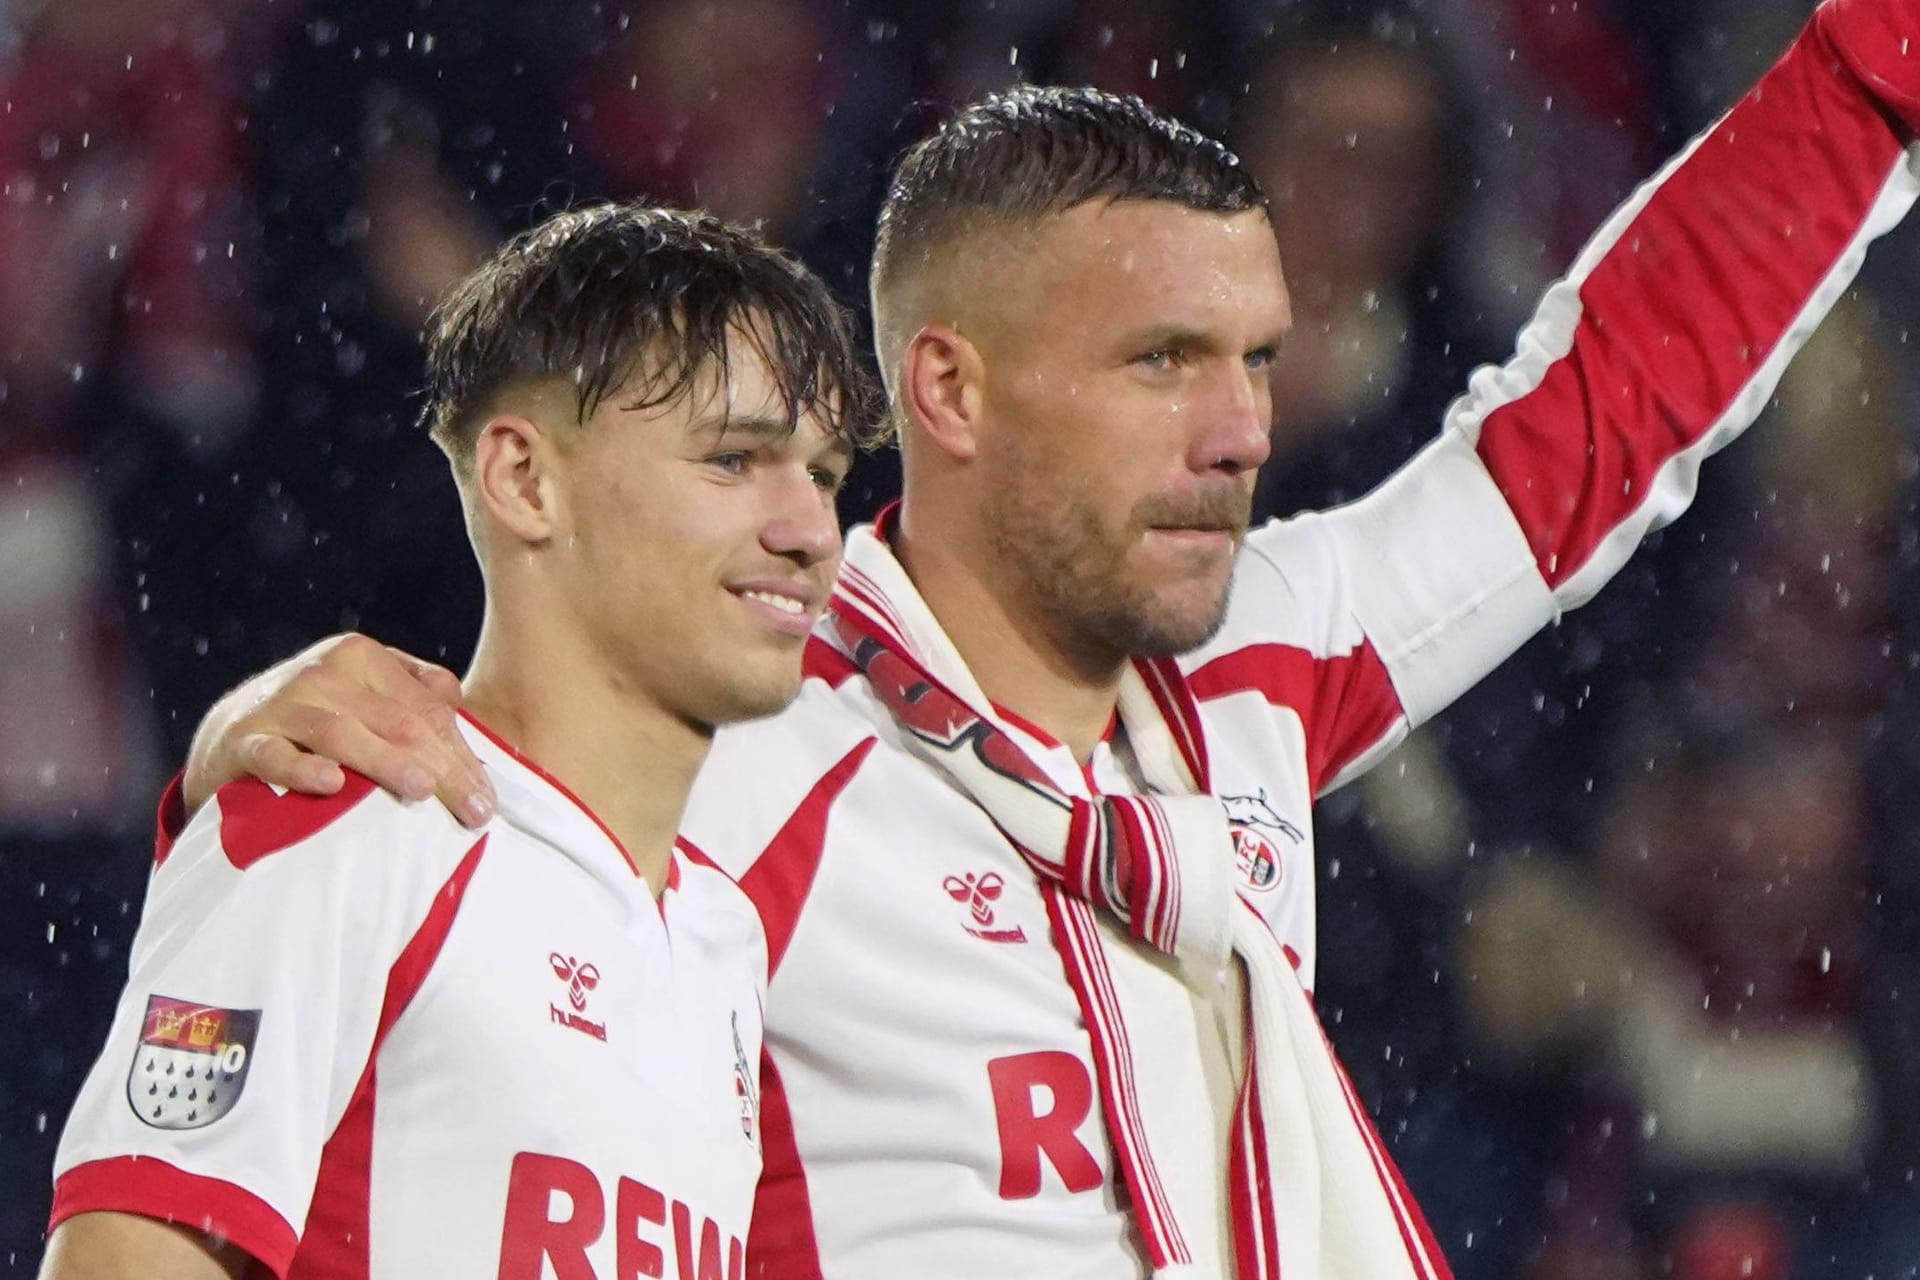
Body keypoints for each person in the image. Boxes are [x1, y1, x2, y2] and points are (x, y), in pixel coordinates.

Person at [169, 1, 1920, 1274]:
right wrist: (258, 744)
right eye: (1163, 362)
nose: (1241, 427)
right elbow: (332, 1025)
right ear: (950, 390)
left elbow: (1602, 414)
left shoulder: (1257, 664)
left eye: (1252, 357)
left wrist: (1871, 68)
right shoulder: (722, 740)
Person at [39, 204, 873, 1279]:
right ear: (524, 480)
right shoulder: (349, 805)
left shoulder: (726, 935)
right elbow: (123, 1260)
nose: (810, 529)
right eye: (732, 458)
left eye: (824, 474)